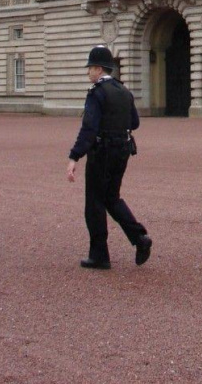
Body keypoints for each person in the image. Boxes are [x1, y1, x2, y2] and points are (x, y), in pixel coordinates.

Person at [66, 45, 152, 270]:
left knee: (94, 202)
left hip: (102, 151)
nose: (88, 73)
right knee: (112, 198)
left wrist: (75, 156)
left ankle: (99, 255)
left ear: (97, 68)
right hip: (122, 150)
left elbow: (89, 128)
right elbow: (134, 123)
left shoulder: (97, 92)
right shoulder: (124, 91)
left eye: (90, 68)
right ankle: (139, 237)